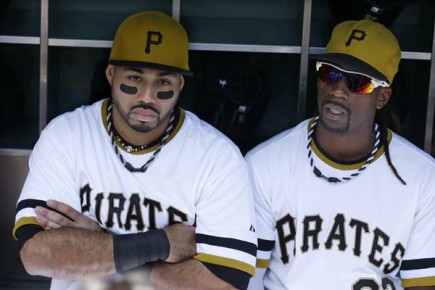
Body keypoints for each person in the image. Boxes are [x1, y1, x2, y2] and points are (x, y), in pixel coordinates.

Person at [13, 11, 257, 290]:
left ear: (180, 84)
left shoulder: (217, 156)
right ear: (111, 74)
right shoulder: (66, 135)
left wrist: (99, 244)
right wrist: (163, 244)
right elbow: (36, 255)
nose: (147, 96)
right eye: (135, 77)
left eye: (163, 81)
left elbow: (226, 284)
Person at [245, 19, 435, 289]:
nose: (337, 90)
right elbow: (246, 279)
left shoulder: (423, 178)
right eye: (330, 74)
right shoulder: (263, 165)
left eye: (358, 82)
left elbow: (423, 283)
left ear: (382, 97)